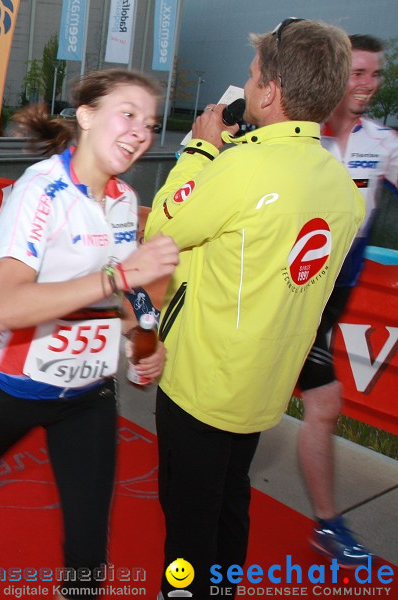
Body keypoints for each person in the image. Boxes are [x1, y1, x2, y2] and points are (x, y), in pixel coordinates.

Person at [0, 71, 178, 600]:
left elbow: (128, 297)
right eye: (129, 114)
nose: (142, 132)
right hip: (17, 386)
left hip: (89, 393)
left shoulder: (122, 199)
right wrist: (119, 277)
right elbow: (9, 304)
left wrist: (144, 346)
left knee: (89, 552)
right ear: (87, 116)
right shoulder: (41, 189)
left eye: (151, 123)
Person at [144, 19, 364, 599]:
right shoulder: (342, 188)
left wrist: (198, 150)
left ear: (268, 93)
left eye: (251, 76)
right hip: (263, 385)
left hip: (202, 379)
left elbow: (163, 227)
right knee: (231, 505)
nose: (244, 84)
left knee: (188, 523)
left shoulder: (237, 169)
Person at [296, 33, 397, 567]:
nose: (367, 85)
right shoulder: (297, 136)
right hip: (278, 296)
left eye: (375, 75)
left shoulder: (383, 143)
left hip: (325, 306)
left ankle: (328, 524)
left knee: (323, 406)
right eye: (357, 73)